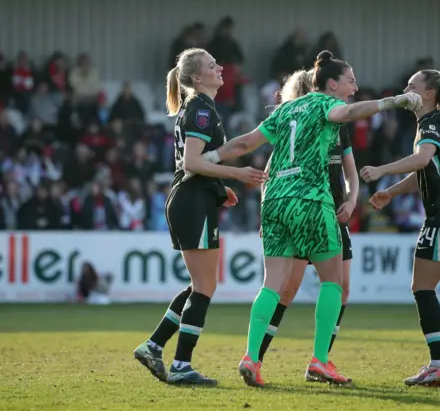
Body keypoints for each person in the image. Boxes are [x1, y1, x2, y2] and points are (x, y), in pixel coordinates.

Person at [209, 50, 422, 387]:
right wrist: (395, 101)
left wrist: (210, 156)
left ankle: (251, 356)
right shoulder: (326, 105)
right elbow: (351, 112)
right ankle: (320, 361)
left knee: (272, 284)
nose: (354, 87)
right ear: (333, 84)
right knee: (333, 282)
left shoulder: (287, 108)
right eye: (350, 81)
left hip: (276, 198)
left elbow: (245, 143)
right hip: (310, 199)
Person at [133, 48, 267, 386]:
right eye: (212, 65)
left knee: (200, 285)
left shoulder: (201, 108)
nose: (220, 67)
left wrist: (219, 188)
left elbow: (201, 161)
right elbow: (191, 163)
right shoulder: (201, 110)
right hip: (191, 202)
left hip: (192, 199)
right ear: (196, 78)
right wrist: (235, 175)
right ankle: (180, 365)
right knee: (205, 287)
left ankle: (154, 346)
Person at [361, 69, 440, 388]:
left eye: (412, 85)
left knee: (422, 288)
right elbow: (426, 170)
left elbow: (422, 159)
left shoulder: (429, 123)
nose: (406, 89)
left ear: (428, 95)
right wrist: (391, 192)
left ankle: (439, 365)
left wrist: (382, 171)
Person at [255, 69, 358, 383]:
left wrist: (352, 201)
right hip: (304, 210)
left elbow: (351, 173)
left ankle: (321, 360)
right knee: (287, 290)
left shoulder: (339, 126)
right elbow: (269, 173)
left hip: (332, 212)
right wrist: (266, 211)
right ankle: (257, 357)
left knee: (342, 289)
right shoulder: (296, 128)